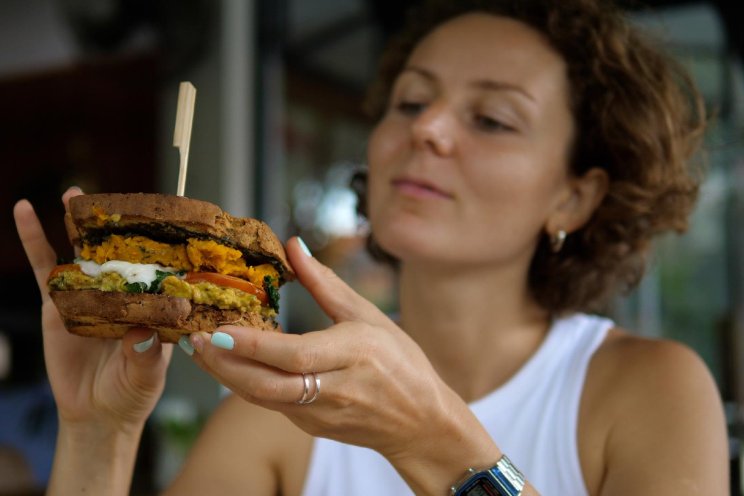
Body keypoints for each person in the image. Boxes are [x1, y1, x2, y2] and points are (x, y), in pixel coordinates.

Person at [13, 0, 729, 494]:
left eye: (491, 119)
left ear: (575, 196)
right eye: (411, 102)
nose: (428, 130)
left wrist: (436, 441)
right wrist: (98, 435)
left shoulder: (651, 390)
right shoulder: (277, 413)